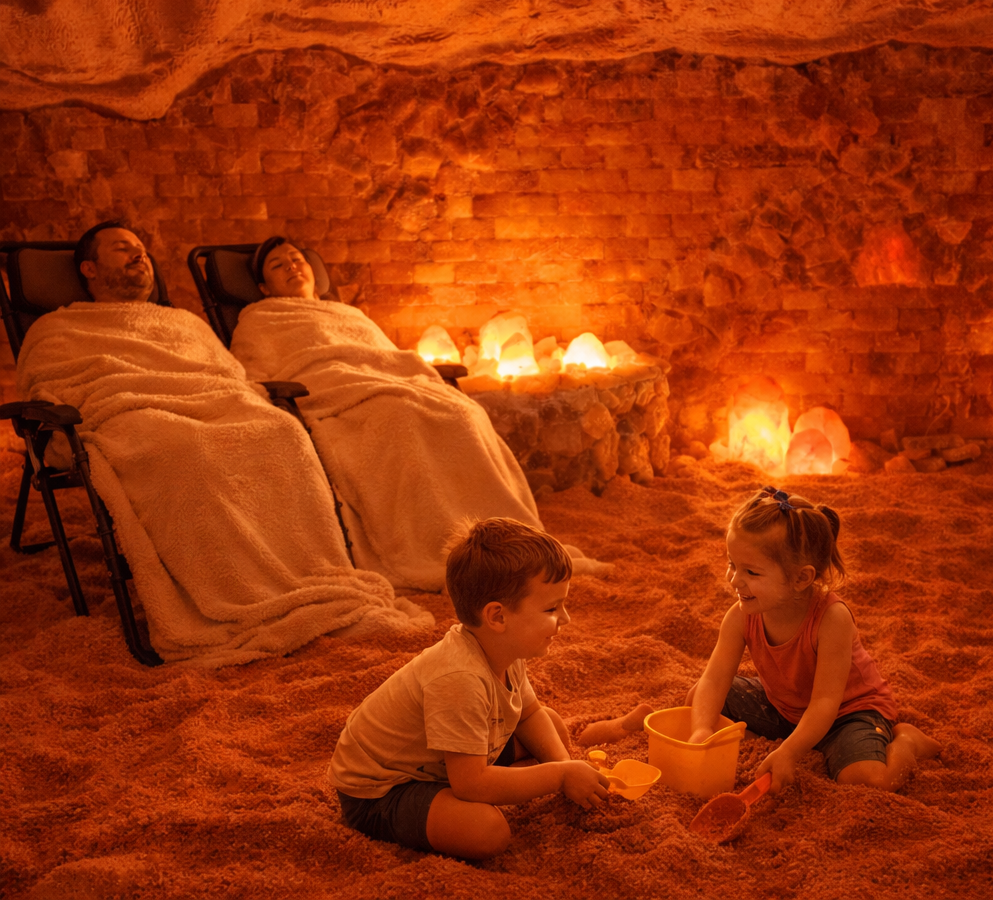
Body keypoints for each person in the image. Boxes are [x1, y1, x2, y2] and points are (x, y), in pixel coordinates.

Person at [16, 221, 431, 666]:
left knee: (283, 432)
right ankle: (232, 595)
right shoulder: (58, 327)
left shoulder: (185, 322)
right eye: (123, 249)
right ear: (90, 268)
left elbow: (230, 377)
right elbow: (49, 386)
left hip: (212, 403)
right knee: (186, 449)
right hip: (131, 412)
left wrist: (223, 398)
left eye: (142, 249)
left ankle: (309, 577)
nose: (141, 256)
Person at [229, 237, 610, 593]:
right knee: (401, 418)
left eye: (297, 259)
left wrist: (398, 377)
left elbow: (381, 354)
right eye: (278, 266)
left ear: (313, 271)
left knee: (463, 412)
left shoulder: (349, 315)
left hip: (389, 382)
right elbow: (256, 371)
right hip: (334, 393)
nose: (292, 267)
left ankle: (502, 540)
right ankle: (439, 545)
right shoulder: (260, 318)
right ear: (263, 288)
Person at [580, 486, 941, 793]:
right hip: (784, 706)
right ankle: (777, 740)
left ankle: (906, 741)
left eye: (751, 572)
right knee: (699, 701)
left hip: (847, 713)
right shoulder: (742, 614)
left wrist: (790, 753)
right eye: (732, 565)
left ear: (801, 579)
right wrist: (703, 728)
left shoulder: (832, 618)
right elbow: (714, 678)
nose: (735, 580)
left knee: (865, 779)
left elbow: (825, 705)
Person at [327, 518, 609, 859]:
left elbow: (531, 713)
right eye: (551, 608)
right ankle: (482, 793)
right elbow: (470, 784)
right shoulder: (458, 678)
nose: (565, 619)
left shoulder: (503, 649)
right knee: (487, 832)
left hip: (445, 760)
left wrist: (564, 768)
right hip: (382, 790)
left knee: (550, 725)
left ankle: (509, 782)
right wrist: (559, 777)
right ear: (498, 617)